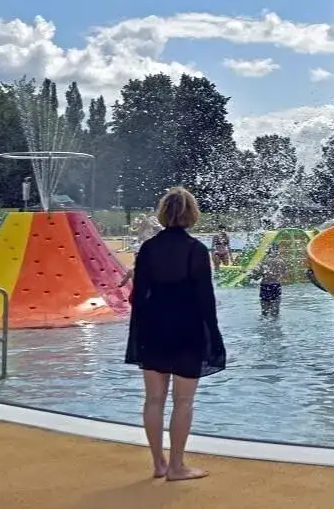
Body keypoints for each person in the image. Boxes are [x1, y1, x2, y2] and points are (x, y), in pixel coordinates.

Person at [124, 187, 226, 482]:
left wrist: (139, 333)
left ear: (163, 213)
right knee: (183, 401)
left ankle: (158, 463)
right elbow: (205, 299)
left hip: (153, 328)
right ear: (192, 214)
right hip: (187, 329)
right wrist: (214, 337)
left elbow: (137, 298)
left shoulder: (148, 250)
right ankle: (177, 467)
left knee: (153, 399)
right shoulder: (196, 250)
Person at [251, 243, 289, 317]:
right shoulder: (282, 262)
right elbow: (284, 274)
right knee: (275, 313)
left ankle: (264, 327)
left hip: (265, 286)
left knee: (264, 312)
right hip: (276, 286)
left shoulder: (264, 262)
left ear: (267, 251)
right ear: (277, 250)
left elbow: (256, 276)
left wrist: (252, 275)